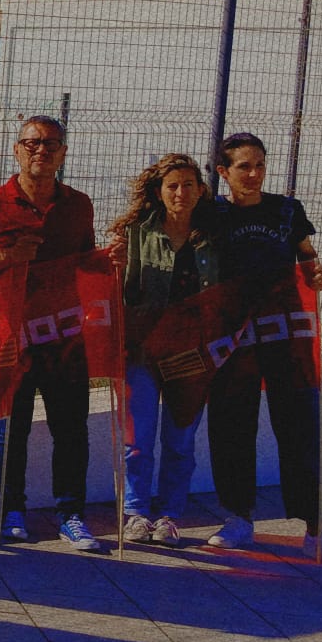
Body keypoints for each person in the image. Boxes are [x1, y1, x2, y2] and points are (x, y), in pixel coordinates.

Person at [204, 132, 322, 565]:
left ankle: (317, 530)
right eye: (244, 166)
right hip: (233, 339)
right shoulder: (212, 214)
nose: (254, 174)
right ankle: (238, 519)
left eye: (260, 165)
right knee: (231, 426)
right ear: (224, 172)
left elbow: (307, 257)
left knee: (302, 425)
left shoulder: (287, 210)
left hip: (284, 334)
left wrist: (316, 275)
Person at [0, 115, 104, 551]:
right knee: (11, 426)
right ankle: (11, 511)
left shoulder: (79, 204)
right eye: (31, 143)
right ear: (17, 150)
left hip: (64, 335)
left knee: (72, 428)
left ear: (63, 153)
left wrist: (111, 260)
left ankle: (71, 515)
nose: (40, 150)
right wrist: (7, 256)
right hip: (10, 337)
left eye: (50, 144)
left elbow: (86, 262)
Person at [108, 153, 217, 548]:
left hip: (192, 355)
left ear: (201, 190)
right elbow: (117, 290)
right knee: (137, 440)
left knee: (180, 441)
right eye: (172, 185)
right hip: (142, 351)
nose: (180, 192)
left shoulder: (213, 235)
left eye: (188, 185)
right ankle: (136, 513)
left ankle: (170, 515)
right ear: (159, 191)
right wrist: (115, 264)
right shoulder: (136, 233)